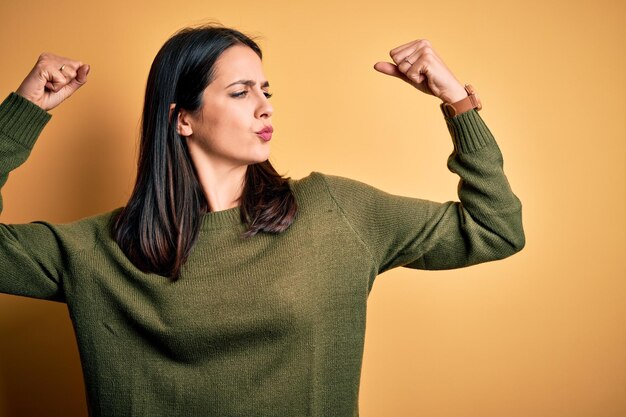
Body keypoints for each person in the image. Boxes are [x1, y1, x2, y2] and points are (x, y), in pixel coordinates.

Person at [0, 25, 524, 417]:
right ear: (182, 117)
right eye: (239, 92)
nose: (264, 108)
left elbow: (494, 229)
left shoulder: (334, 213)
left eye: (265, 90)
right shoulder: (101, 250)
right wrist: (22, 113)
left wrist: (458, 103)